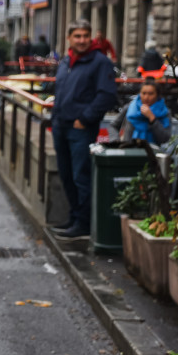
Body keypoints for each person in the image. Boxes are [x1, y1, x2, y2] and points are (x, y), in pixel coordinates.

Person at [50, 20, 118, 239]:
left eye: (85, 36)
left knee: (82, 176)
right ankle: (74, 217)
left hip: (80, 128)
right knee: (66, 174)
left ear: (91, 38)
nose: (81, 40)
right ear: (69, 38)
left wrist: (85, 118)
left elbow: (107, 95)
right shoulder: (66, 60)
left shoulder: (100, 62)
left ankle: (84, 224)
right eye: (77, 36)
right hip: (61, 125)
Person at [113, 81, 171, 145]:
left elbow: (165, 138)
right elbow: (113, 126)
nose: (146, 97)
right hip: (129, 151)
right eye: (143, 93)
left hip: (152, 152)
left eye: (151, 94)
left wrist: (152, 118)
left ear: (157, 95)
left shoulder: (164, 112)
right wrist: (115, 140)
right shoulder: (130, 107)